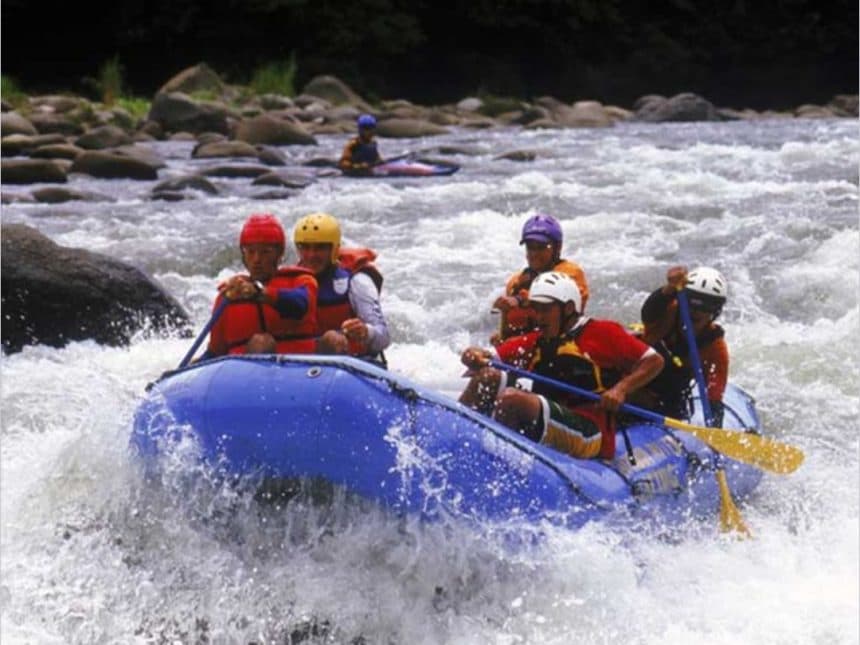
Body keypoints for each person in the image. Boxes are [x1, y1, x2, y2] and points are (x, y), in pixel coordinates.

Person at [460, 272, 664, 460]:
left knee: (512, 401)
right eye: (536, 308)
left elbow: (654, 361)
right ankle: (459, 441)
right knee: (486, 378)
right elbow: (489, 358)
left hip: (590, 429)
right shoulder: (536, 340)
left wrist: (621, 389)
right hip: (550, 415)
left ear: (567, 309)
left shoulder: (603, 332)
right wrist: (474, 355)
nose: (539, 317)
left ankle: (499, 466)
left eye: (546, 309)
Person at [201, 213, 318, 359]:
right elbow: (215, 352)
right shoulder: (228, 297)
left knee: (262, 342)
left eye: (265, 252)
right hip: (245, 377)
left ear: (279, 254)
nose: (257, 259)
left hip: (302, 374)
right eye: (250, 252)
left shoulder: (301, 281)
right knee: (260, 343)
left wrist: (260, 293)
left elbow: (300, 305)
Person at [293, 212, 390, 364]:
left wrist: (365, 331)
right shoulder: (289, 280)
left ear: (334, 250)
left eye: (320, 248)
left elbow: (383, 337)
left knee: (332, 338)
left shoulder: (358, 282)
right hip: (304, 363)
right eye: (305, 247)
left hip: (353, 364)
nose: (311, 255)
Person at [639, 265, 730, 425]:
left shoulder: (715, 347)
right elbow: (649, 312)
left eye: (705, 306)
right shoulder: (668, 312)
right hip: (635, 382)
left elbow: (714, 396)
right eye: (691, 304)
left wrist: (715, 429)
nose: (696, 311)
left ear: (715, 311)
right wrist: (669, 288)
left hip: (668, 399)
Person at [491, 213, 589, 345]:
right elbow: (508, 331)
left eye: (542, 247)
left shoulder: (570, 273)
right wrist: (501, 340)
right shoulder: (516, 282)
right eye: (530, 246)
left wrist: (519, 299)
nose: (534, 253)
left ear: (557, 248)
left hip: (564, 345)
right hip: (528, 349)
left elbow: (549, 291)